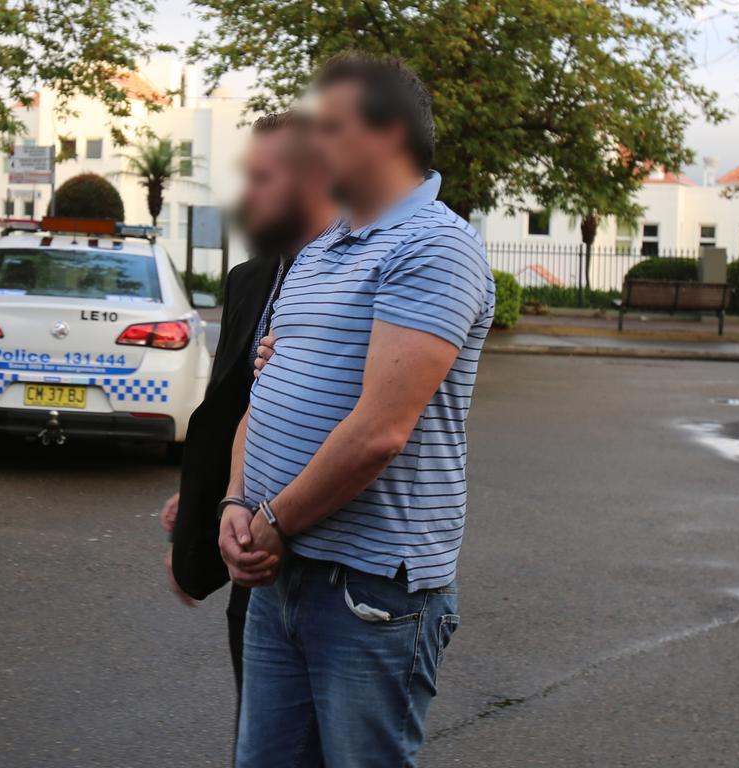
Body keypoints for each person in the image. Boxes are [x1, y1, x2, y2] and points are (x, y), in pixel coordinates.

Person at [218, 53, 496, 767]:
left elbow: (379, 433)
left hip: (366, 593)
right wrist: (233, 502)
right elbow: (266, 394)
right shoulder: (320, 249)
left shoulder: (435, 246)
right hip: (281, 573)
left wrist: (273, 519)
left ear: (387, 135)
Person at [160, 111, 336, 695]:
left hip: (332, 562)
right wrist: (197, 507)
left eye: (263, 178)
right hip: (251, 562)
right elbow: (230, 406)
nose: (246, 193)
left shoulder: (358, 282)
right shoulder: (249, 279)